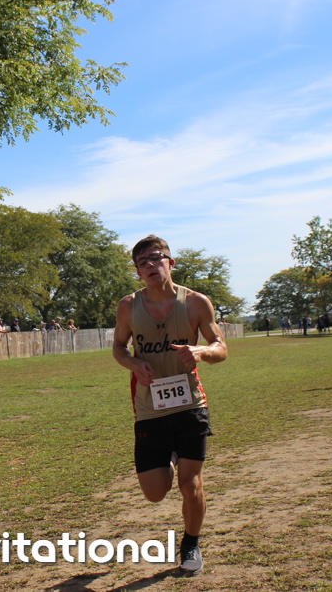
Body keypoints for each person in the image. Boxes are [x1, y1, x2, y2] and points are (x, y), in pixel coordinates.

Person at [112, 235, 228, 576]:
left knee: (190, 484)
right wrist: (133, 363)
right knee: (155, 492)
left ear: (170, 262)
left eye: (156, 258)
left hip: (190, 404)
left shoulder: (195, 302)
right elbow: (118, 347)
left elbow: (220, 347)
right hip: (150, 408)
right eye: (142, 262)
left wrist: (201, 352)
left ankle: (190, 544)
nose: (150, 265)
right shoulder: (128, 306)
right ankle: (171, 459)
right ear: (137, 272)